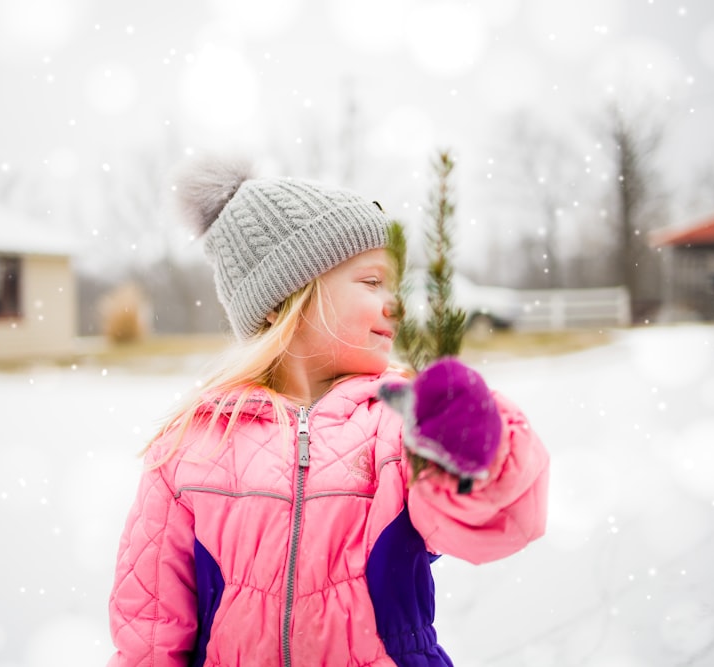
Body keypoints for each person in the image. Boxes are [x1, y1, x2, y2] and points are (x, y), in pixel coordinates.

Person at [107, 156, 550, 666]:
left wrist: (479, 439)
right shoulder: (193, 446)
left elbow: (504, 516)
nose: (397, 304)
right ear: (283, 300)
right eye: (371, 283)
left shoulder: (397, 430)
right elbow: (150, 632)